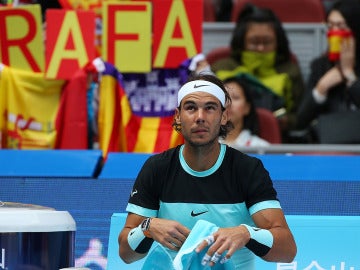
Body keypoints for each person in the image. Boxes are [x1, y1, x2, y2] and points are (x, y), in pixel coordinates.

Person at [118, 73, 296, 269]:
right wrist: (147, 227)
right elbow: (126, 255)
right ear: (178, 116)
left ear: (224, 116)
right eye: (191, 108)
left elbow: (287, 250)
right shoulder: (157, 168)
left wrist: (246, 233)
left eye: (210, 108)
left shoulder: (247, 169)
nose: (200, 117)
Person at [211, 3, 305, 142]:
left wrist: (286, 121)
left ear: (277, 43)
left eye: (267, 42)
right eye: (254, 42)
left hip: (280, 140)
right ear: (242, 41)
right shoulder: (222, 67)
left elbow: (300, 114)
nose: (260, 48)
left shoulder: (290, 71)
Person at [296, 0, 360, 143]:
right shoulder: (319, 66)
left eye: (341, 26)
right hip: (327, 148)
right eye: (330, 26)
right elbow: (300, 121)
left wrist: (350, 76)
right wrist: (321, 88)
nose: (334, 32)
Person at [219, 76, 270, 147]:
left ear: (247, 108)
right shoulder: (205, 145)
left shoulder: (261, 148)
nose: (228, 103)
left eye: (235, 97)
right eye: (224, 98)